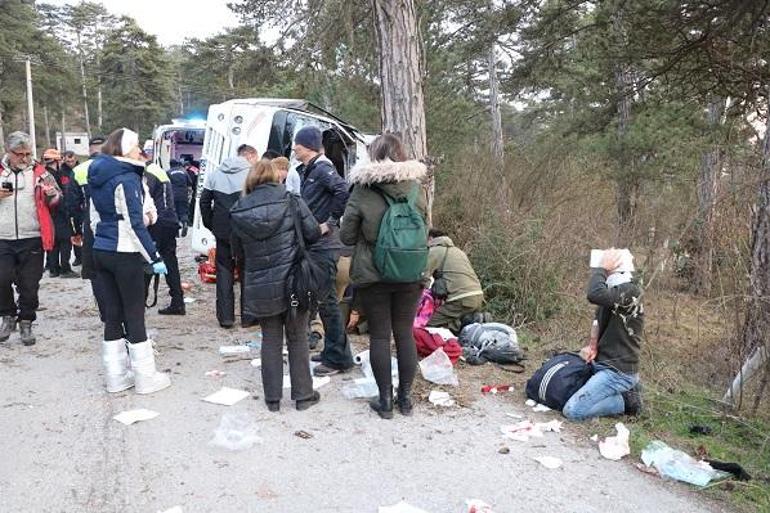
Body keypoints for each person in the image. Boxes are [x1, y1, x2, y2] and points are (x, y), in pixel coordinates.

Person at [340, 133, 428, 418]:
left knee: (379, 336)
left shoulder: (362, 191)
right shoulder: (417, 189)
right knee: (404, 334)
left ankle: (385, 401)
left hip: (374, 273)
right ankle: (405, 400)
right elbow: (424, 229)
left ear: (373, 157)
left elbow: (347, 235)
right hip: (411, 271)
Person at [230, 160, 321, 412]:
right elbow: (312, 233)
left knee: (270, 338)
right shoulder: (291, 201)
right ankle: (303, 395)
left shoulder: (239, 209)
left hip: (260, 284)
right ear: (276, 177)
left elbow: (237, 251)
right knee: (297, 336)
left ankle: (272, 399)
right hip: (294, 283)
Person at [89, 128, 170, 394]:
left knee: (112, 314)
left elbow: (94, 218)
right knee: (135, 314)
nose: (140, 152)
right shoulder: (126, 178)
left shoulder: (96, 173)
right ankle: (146, 378)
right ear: (124, 150)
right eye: (136, 147)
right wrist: (154, 256)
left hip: (101, 249)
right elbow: (135, 224)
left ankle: (116, 378)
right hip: (125, 252)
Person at [293, 125, 353, 377]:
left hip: (324, 247)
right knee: (323, 302)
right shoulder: (308, 170)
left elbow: (342, 190)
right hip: (315, 246)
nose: (294, 148)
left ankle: (337, 359)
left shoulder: (323, 169)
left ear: (307, 146)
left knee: (328, 304)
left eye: (297, 144)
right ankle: (335, 352)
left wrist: (330, 222)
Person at [562, 249, 644, 420]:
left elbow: (594, 293)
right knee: (563, 389)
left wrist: (602, 270)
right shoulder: (613, 293)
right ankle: (616, 393)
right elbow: (598, 322)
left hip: (618, 372)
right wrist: (592, 346)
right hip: (601, 364)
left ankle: (624, 400)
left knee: (573, 411)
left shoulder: (631, 292)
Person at [0, 132, 61, 345]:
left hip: (32, 237)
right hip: (3, 237)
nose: (24, 158)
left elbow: (57, 199)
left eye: (28, 153)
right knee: (2, 279)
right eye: (19, 154)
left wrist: (51, 195)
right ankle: (7, 316)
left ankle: (26, 320)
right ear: (8, 152)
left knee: (30, 284)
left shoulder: (40, 172)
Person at [199, 149, 251, 328]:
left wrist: (210, 224)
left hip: (222, 230)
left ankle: (226, 317)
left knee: (224, 272)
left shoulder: (215, 175)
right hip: (245, 228)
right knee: (247, 272)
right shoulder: (250, 173)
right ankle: (249, 316)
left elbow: (204, 202)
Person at [143, 152, 185, 315]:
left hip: (157, 222)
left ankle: (139, 303)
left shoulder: (148, 173)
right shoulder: (159, 170)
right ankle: (178, 301)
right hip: (169, 221)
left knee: (147, 263)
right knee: (170, 264)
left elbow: (145, 200)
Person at [73, 136, 107, 320]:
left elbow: (71, 204)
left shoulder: (78, 170)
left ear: (89, 150)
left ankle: (104, 312)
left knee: (96, 272)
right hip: (116, 226)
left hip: (90, 226)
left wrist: (76, 231)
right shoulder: (118, 167)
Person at [426, 229, 484, 332]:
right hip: (478, 295)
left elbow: (423, 276)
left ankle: (437, 347)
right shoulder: (459, 252)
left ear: (430, 238)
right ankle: (471, 322)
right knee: (454, 325)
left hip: (460, 298)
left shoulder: (435, 251)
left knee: (429, 324)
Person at [43, 148, 79, 278]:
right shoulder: (56, 175)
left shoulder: (42, 174)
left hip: (48, 213)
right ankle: (65, 269)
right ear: (57, 161)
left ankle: (53, 269)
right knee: (65, 240)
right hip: (60, 212)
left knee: (54, 241)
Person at [61, 151, 82, 266]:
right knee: (74, 233)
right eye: (68, 161)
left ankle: (84, 256)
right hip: (67, 206)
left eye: (72, 161)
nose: (70, 163)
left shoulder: (80, 169)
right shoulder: (61, 172)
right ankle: (78, 256)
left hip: (80, 205)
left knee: (82, 231)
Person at [167, 159, 192, 232]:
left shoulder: (168, 172)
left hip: (172, 195)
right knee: (183, 211)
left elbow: (166, 184)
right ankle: (185, 223)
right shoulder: (184, 171)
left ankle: (176, 231)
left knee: (174, 212)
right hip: (183, 194)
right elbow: (190, 183)